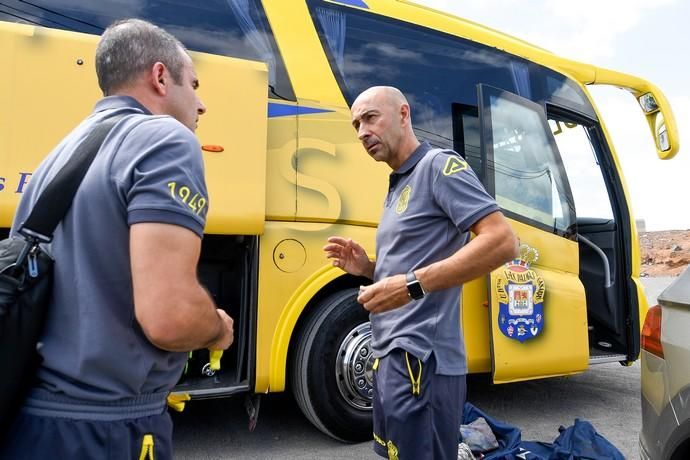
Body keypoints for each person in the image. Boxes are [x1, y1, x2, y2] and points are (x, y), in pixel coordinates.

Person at [0, 19, 233, 460]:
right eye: (195, 85)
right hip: (107, 430)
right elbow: (170, 318)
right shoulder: (166, 139)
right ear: (160, 77)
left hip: (34, 421)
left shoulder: (62, 152)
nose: (201, 105)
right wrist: (217, 329)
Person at [324, 86, 518, 459]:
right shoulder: (398, 182)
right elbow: (408, 268)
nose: (362, 132)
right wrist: (367, 268)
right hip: (389, 355)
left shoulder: (439, 166)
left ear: (403, 113)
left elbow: (503, 241)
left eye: (370, 118)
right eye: (355, 125)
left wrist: (411, 285)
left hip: (422, 362)